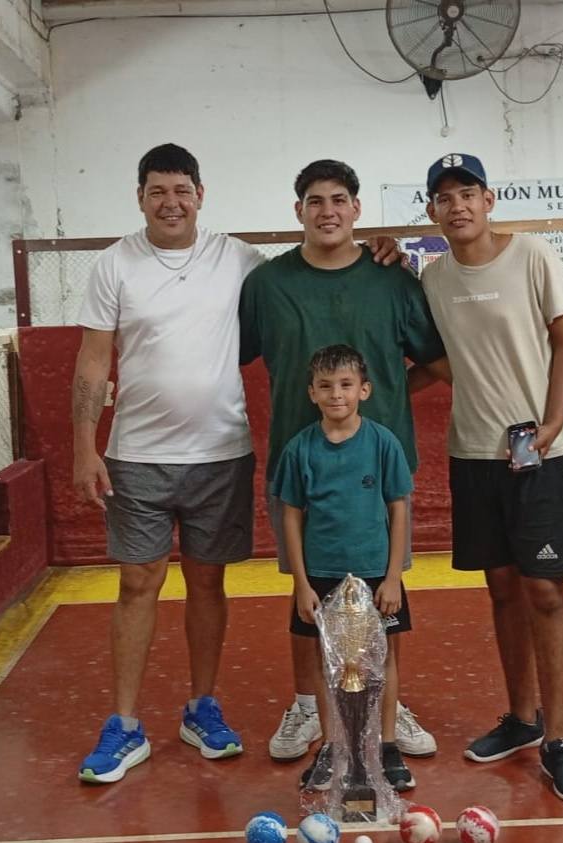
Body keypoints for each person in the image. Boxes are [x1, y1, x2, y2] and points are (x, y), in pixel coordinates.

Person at [71, 144, 404, 785]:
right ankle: (124, 724)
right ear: (140, 197)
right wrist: (84, 445)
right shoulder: (113, 264)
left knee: (206, 584)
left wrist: (381, 245)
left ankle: (203, 707)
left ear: (201, 194)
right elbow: (91, 363)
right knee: (138, 584)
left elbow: (317, 257)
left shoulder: (240, 260)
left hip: (220, 454)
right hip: (135, 455)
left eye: (182, 190)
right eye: (157, 191)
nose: (171, 202)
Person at [239, 159, 444, 764]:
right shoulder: (267, 285)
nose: (327, 211)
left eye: (338, 199)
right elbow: (231, 354)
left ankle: (386, 707)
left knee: (385, 593)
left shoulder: (394, 281)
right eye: (314, 200)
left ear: (356, 209)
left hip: (377, 474)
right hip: (297, 471)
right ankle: (307, 704)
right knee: (308, 593)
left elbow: (437, 360)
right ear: (298, 211)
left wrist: (384, 398)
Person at [419, 152, 563, 801]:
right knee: (499, 586)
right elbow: (440, 361)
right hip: (473, 454)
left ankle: (560, 740)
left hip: (539, 453)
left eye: (467, 191)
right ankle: (522, 718)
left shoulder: (531, 256)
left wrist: (552, 421)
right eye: (444, 197)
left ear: (487, 199)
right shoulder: (431, 279)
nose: (457, 204)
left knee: (544, 591)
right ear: (432, 211)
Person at [274, 344, 416, 792]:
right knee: (327, 661)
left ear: (365, 390)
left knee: (385, 658)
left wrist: (393, 575)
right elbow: (291, 514)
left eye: (346, 385)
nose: (337, 394)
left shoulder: (382, 443)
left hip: (374, 573)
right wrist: (301, 582)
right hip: (321, 574)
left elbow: (398, 508)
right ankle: (333, 746)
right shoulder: (300, 450)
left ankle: (388, 746)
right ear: (311, 393)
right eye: (326, 386)